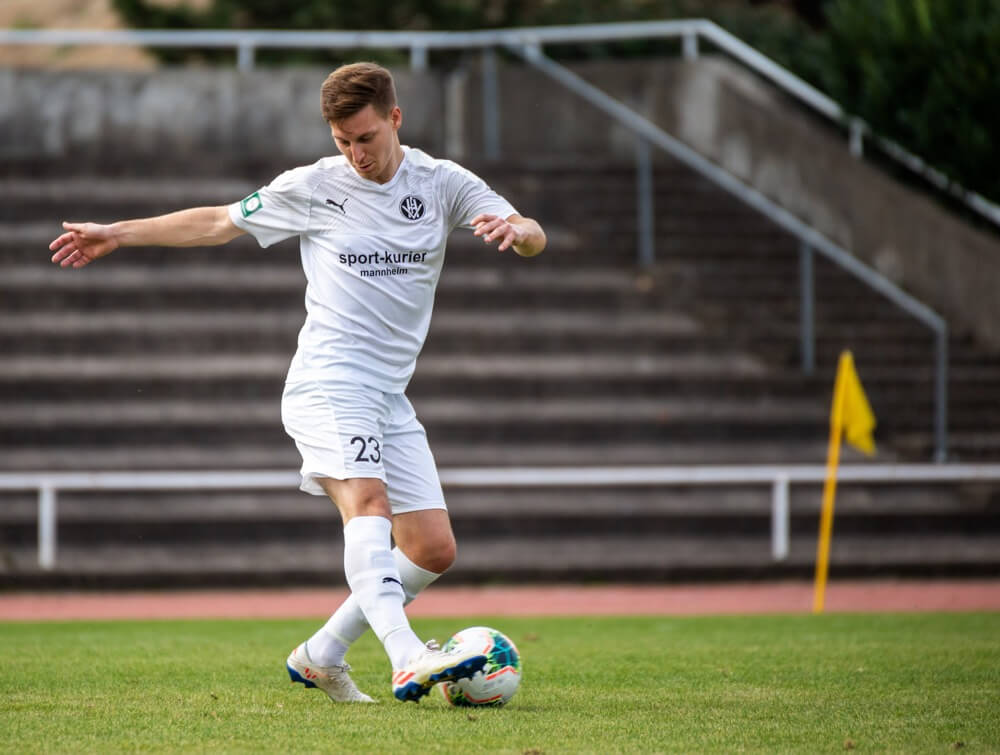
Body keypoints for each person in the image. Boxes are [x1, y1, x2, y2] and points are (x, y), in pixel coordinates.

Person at [48, 61, 546, 703]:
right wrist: (118, 232)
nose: (355, 153)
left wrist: (519, 233)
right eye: (342, 141)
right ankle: (406, 657)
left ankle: (321, 655)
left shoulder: (442, 183)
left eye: (365, 138)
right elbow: (219, 222)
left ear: (395, 119)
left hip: (388, 394)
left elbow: (530, 233)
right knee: (368, 507)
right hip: (329, 382)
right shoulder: (315, 185)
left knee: (431, 548)